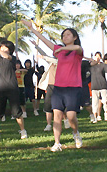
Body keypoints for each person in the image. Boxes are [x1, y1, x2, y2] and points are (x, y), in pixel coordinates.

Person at [23, 19, 83, 151]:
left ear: (75, 37)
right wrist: (32, 29)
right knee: (57, 115)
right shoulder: (58, 50)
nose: (65, 37)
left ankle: (76, 133)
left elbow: (78, 48)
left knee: (71, 116)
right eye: (63, 35)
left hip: (73, 87)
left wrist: (62, 48)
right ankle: (57, 143)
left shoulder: (77, 52)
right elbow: (44, 40)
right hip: (58, 88)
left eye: (68, 35)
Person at [90, 52, 107, 121]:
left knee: (105, 101)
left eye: (99, 56)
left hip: (103, 86)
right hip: (94, 86)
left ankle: (106, 114)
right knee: (94, 102)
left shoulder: (103, 65)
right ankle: (95, 117)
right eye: (96, 56)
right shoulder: (91, 66)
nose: (97, 58)